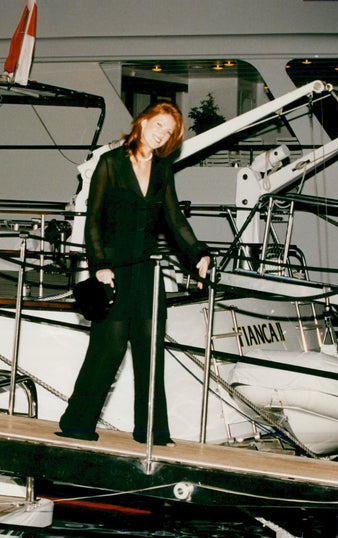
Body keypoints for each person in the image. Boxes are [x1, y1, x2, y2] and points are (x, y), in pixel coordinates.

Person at [57, 102, 210, 445]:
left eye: (168, 132)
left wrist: (198, 253)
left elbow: (174, 219)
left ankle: (152, 431)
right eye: (158, 125)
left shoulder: (162, 169)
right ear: (142, 122)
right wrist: (100, 266)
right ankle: (77, 424)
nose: (161, 134)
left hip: (147, 270)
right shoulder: (110, 164)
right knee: (107, 350)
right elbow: (93, 220)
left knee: (149, 351)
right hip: (113, 270)